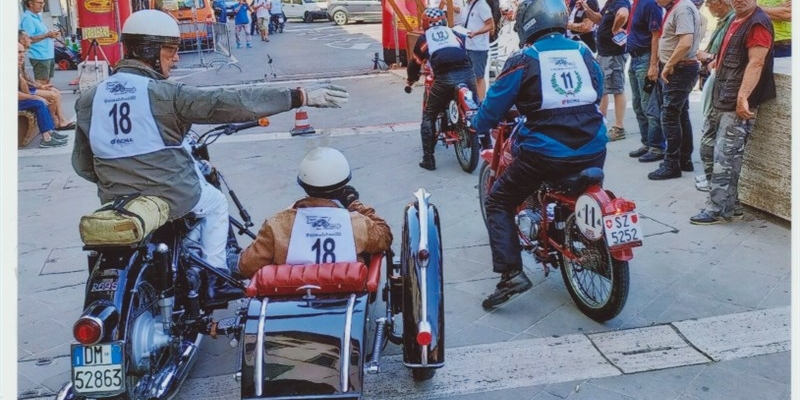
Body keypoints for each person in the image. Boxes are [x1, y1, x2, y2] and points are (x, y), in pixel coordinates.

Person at [71, 10, 349, 298]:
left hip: (117, 199)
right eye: (171, 50)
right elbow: (231, 102)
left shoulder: (89, 99)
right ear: (149, 51)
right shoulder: (166, 94)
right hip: (172, 195)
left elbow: (83, 164)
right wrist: (299, 96)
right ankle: (216, 278)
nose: (176, 59)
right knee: (215, 203)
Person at [472, 0, 608, 309]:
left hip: (545, 153)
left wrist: (477, 123)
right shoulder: (584, 52)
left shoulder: (524, 59)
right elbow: (597, 91)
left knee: (498, 200)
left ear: (528, 23)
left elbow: (492, 107)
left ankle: (511, 275)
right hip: (594, 148)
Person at [238, 147, 393, 277]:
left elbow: (247, 266)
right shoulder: (357, 224)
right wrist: (354, 203)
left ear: (304, 186)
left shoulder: (277, 225)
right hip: (347, 290)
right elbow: (384, 237)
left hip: (289, 292)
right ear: (343, 188)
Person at [690, 0, 775, 224]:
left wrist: (743, 97)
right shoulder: (734, 18)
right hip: (721, 96)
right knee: (707, 150)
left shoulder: (757, 23)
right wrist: (713, 62)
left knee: (725, 158)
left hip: (737, 101)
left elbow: (757, 63)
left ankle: (718, 209)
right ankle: (731, 203)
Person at [406, 7, 479, 171]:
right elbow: (460, 51)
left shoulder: (424, 38)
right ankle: (487, 144)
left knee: (429, 115)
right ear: (444, 20)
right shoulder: (455, 33)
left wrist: (411, 79)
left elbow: (415, 64)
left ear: (425, 23)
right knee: (477, 106)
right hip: (467, 73)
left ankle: (428, 159)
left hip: (444, 77)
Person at [647, 0, 702, 180]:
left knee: (670, 115)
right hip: (679, 67)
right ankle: (683, 159)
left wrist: (669, 65)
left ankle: (672, 164)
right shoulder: (679, 7)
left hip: (679, 68)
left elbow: (685, 42)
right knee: (679, 114)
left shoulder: (683, 8)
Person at [578, 0, 630, 141]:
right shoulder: (610, 3)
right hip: (605, 52)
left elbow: (623, 14)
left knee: (617, 88)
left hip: (614, 53)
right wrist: (586, 8)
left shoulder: (620, 2)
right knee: (603, 88)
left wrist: (615, 28)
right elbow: (599, 19)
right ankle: (601, 122)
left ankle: (619, 127)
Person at [624, 0, 664, 162]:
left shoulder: (649, 4)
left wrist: (653, 65)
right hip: (635, 58)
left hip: (645, 59)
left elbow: (656, 35)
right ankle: (647, 143)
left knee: (649, 105)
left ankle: (656, 146)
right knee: (639, 105)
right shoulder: (637, 3)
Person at [19, 30, 75, 132]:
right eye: (28, 38)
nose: (30, 40)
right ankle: (55, 123)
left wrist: (40, 86)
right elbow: (22, 80)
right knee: (52, 95)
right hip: (23, 90)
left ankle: (60, 120)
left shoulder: (21, 55)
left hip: (26, 87)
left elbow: (26, 77)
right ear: (22, 40)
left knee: (55, 91)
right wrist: (38, 88)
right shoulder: (18, 55)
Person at [18, 43, 67, 148]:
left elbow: (26, 82)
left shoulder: (17, 66)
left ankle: (50, 132)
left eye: (23, 52)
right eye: (18, 52)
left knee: (42, 101)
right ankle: (46, 138)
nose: (22, 55)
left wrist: (40, 87)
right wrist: (34, 96)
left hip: (21, 97)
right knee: (39, 103)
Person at [19, 0, 60, 86]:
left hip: (47, 54)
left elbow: (39, 34)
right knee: (42, 84)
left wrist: (51, 34)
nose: (42, 5)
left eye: (43, 3)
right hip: (39, 56)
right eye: (40, 3)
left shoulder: (37, 16)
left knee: (47, 83)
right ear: (31, 3)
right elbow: (29, 39)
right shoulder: (28, 18)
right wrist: (47, 35)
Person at [463, 0, 495, 101]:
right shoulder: (467, 5)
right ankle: (473, 100)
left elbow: (490, 25)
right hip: (468, 45)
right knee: (470, 77)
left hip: (478, 47)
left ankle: (480, 102)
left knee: (478, 77)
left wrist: (476, 33)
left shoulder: (482, 5)